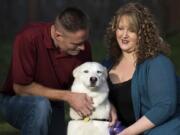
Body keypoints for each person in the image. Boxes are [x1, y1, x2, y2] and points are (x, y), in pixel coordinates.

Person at [0, 7, 95, 135]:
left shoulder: (83, 48)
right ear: (58, 35)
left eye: (84, 41)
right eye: (76, 43)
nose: (83, 47)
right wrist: (68, 96)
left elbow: (85, 87)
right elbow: (20, 88)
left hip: (55, 104)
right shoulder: (28, 38)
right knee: (40, 105)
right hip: (14, 101)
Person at [103, 2, 180, 135]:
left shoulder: (158, 63)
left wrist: (127, 133)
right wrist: (107, 103)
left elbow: (165, 106)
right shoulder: (106, 65)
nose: (124, 35)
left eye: (131, 30)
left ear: (142, 34)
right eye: (120, 28)